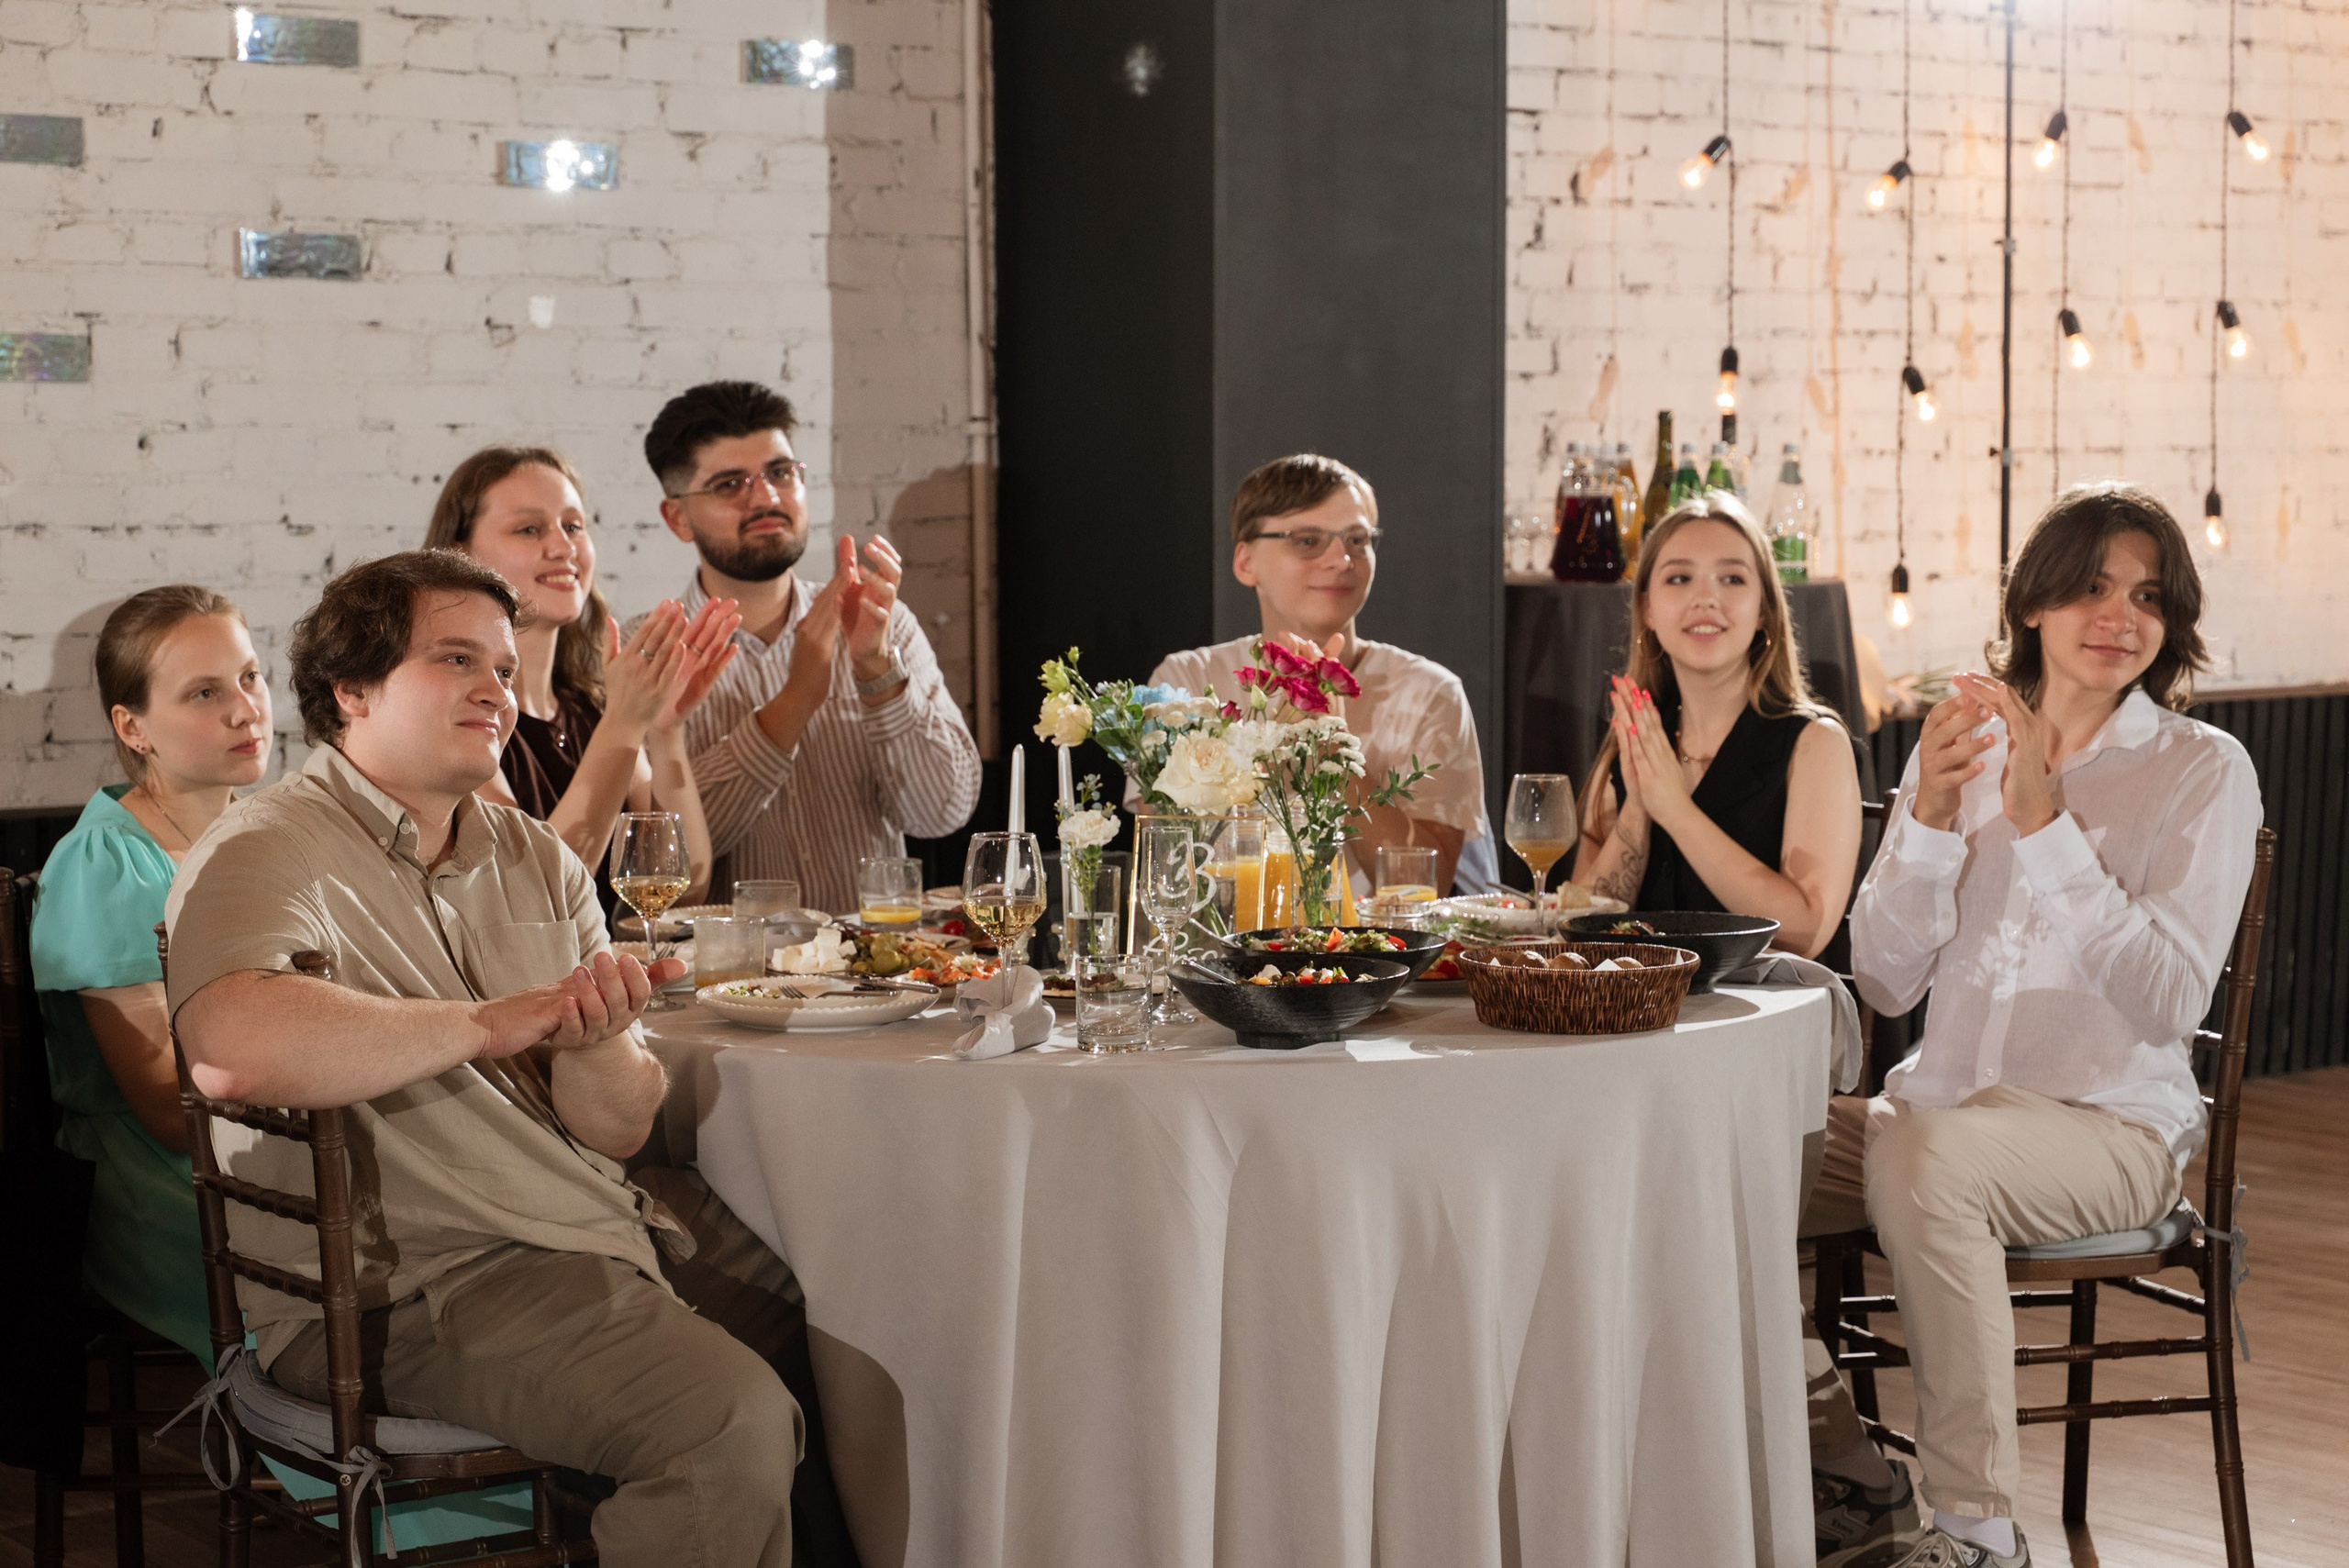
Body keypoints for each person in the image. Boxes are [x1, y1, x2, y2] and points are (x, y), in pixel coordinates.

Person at [164, 551, 858, 1567]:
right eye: (457, 660)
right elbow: (228, 1045)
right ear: (351, 690)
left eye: (501, 664)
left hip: (580, 1231)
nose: (496, 687)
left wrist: (593, 1035)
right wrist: (490, 1021)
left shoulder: (531, 853)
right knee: (726, 1423)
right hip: (412, 1284)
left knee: (858, 1313)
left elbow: (617, 1127)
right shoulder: (264, 846)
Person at [1805, 484, 2261, 1568]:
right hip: (1931, 1109)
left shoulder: (2203, 770)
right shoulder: (1956, 745)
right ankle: (1845, 1459)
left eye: (2148, 595)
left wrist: (2043, 824)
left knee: (1931, 1159)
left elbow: (2166, 1001)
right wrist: (1923, 819)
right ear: (2035, 602)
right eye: (2093, 585)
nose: (2120, 614)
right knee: (1701, 1158)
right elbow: (1879, 977)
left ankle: (1975, 1529)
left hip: (2110, 1134)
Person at [33, 585, 534, 1548]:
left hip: (287, 1134)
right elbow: (169, 1110)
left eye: (253, 679)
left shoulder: (269, 833)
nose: (245, 709)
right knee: (379, 1235)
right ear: (131, 724)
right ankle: (423, 1517)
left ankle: (534, 1450)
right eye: (204, 693)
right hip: (167, 1184)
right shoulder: (105, 861)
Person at [634, 381, 981, 914]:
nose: (766, 498)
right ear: (677, 517)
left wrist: (876, 669)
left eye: (780, 473)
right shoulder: (645, 654)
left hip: (879, 976)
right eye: (730, 483)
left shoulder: (880, 622)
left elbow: (941, 814)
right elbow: (664, 868)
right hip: (729, 986)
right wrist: (794, 701)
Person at [1144, 453, 1496, 895]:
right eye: (1307, 541)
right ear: (1245, 562)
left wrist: (1334, 752)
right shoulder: (1187, 682)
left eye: (1357, 539)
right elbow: (1164, 870)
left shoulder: (1430, 693)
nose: (1341, 559)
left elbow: (1423, 888)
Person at [425, 446, 738, 904]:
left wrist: (666, 729)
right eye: (529, 529)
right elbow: (536, 893)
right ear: (460, 555)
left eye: (573, 526)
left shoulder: (588, 707)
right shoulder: (456, 714)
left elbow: (684, 884)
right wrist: (625, 723)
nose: (563, 547)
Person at [1569, 494, 1862, 959]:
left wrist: (1677, 812)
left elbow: (1805, 933)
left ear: (1765, 608)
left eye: (1732, 579)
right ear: (1646, 609)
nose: (1706, 599)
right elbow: (1583, 926)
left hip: (1766, 1018)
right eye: (1680, 578)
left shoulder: (1815, 743)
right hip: (1634, 1015)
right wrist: (1639, 808)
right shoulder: (1638, 737)